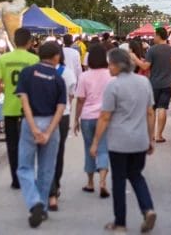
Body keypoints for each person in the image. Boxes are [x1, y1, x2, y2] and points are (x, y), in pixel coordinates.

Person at [91, 48, 157, 233]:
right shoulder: (144, 82)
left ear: (117, 65)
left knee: (119, 180)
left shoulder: (113, 85)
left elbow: (105, 117)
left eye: (110, 64)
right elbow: (150, 112)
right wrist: (151, 138)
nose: (109, 67)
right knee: (136, 175)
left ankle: (120, 222)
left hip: (119, 141)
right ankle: (148, 209)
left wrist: (96, 142)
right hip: (139, 140)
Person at [15, 42, 67, 228]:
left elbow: (24, 102)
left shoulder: (27, 73)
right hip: (51, 124)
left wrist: (34, 128)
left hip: (31, 123)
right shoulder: (58, 78)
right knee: (47, 168)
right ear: (56, 57)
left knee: (24, 167)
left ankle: (34, 201)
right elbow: (60, 109)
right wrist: (48, 131)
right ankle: (42, 207)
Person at [0, 27, 39, 189]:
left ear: (14, 41)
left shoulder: (3, 59)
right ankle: (28, 176)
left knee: (12, 146)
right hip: (29, 110)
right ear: (29, 42)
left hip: (9, 108)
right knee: (28, 145)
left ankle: (15, 179)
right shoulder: (33, 60)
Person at [74, 44, 112, 197]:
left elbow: (81, 100)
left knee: (88, 148)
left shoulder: (84, 76)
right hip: (105, 117)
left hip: (87, 117)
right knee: (103, 148)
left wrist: (76, 119)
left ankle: (90, 183)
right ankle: (103, 181)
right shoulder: (110, 75)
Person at [132, 27, 171, 144]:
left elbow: (145, 66)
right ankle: (159, 135)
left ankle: (150, 135)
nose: (153, 37)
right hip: (168, 83)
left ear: (159, 35)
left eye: (155, 35)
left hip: (154, 83)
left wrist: (135, 58)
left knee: (152, 109)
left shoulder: (152, 50)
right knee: (163, 108)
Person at [48, 49, 77, 211]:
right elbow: (72, 95)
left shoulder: (36, 71)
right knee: (59, 151)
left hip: (44, 116)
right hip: (63, 115)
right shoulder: (67, 73)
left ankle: (49, 187)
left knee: (45, 152)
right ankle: (55, 185)